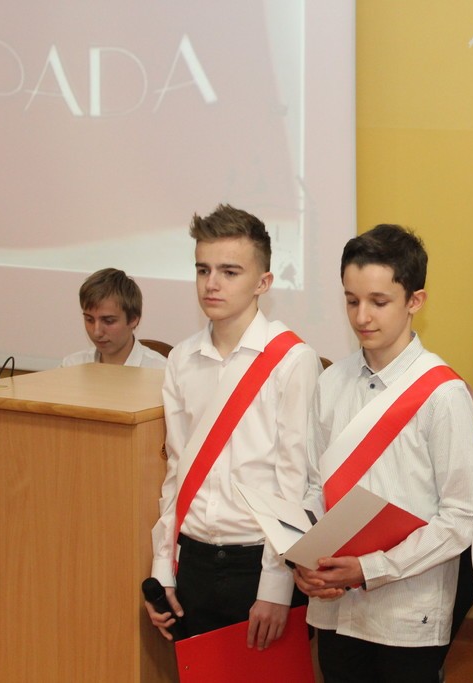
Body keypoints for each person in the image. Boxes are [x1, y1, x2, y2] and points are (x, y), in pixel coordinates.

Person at [295, 224, 473, 683]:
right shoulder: (331, 383)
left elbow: (461, 517)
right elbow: (315, 487)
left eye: (378, 302)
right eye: (351, 300)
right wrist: (303, 558)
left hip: (407, 615)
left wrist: (369, 568)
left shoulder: (443, 394)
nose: (362, 317)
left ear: (415, 301)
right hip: (334, 608)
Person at [145, 204, 322, 647]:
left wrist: (276, 587)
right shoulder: (182, 359)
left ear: (263, 282)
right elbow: (177, 472)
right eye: (203, 270)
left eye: (229, 271)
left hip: (258, 562)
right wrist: (164, 567)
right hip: (194, 559)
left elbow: (295, 483)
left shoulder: (292, 360)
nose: (212, 283)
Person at [61, 267, 168, 368]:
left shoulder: (161, 371)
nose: (97, 332)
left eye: (108, 321)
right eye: (89, 320)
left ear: (133, 319)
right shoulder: (71, 366)